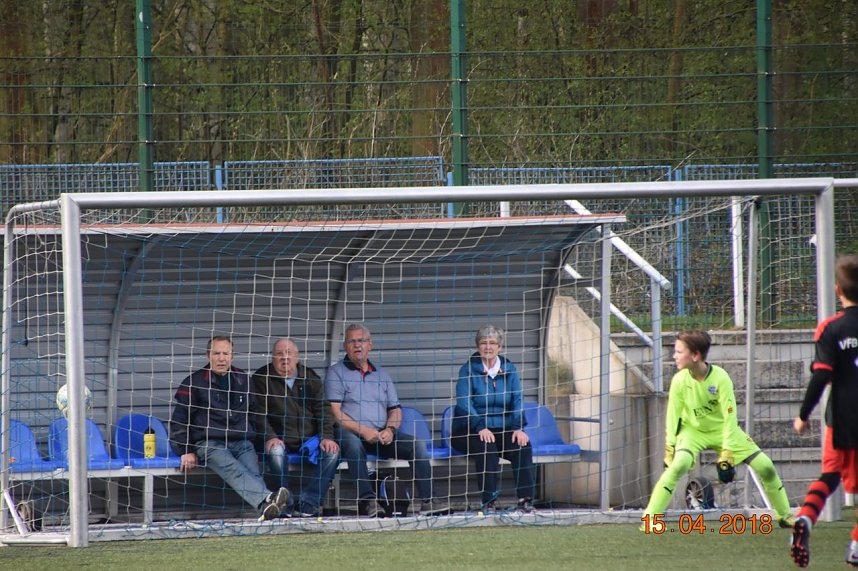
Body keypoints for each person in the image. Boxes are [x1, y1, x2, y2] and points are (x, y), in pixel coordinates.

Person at [641, 329, 792, 530]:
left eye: (678, 351)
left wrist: (727, 451)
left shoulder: (721, 378)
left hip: (724, 431)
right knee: (679, 465)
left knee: (765, 466)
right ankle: (650, 520)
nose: (674, 356)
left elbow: (730, 418)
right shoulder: (679, 380)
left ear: (695, 355)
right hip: (692, 432)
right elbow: (673, 416)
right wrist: (670, 446)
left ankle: (785, 515)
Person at [324, 323, 449, 517]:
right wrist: (364, 430)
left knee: (416, 445)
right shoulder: (336, 372)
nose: (358, 345)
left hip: (381, 435)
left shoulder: (382, 374)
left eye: (362, 341)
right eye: (352, 341)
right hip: (351, 435)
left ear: (370, 345)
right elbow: (335, 413)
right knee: (354, 445)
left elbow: (395, 409)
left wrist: (390, 430)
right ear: (345, 346)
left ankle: (429, 500)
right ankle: (368, 502)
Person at [170, 335, 291, 522]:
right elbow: (179, 419)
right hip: (210, 443)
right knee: (234, 469)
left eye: (225, 353)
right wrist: (185, 450)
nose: (221, 358)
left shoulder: (243, 379)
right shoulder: (193, 382)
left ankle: (266, 509)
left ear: (232, 356)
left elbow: (256, 414)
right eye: (216, 353)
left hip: (241, 441)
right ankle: (268, 499)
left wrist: (268, 437)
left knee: (253, 473)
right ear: (207, 355)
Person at [790, 254, 858, 568]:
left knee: (830, 476)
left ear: (837, 290)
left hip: (840, 418)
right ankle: (856, 545)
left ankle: (804, 519)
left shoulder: (830, 328)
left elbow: (821, 375)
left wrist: (804, 415)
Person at [251, 337, 340, 518]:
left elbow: (322, 409)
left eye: (289, 353)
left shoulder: (310, 377)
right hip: (278, 438)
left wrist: (326, 436)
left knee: (333, 452)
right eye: (279, 354)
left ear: (297, 357)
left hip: (309, 439)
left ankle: (309, 503)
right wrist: (269, 436)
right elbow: (257, 413)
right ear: (272, 357)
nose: (285, 358)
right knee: (276, 452)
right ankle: (285, 504)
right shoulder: (261, 378)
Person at [451, 325, 535, 512]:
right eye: (483, 343)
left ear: (500, 347)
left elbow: (517, 399)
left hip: (502, 428)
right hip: (469, 429)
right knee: (487, 447)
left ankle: (525, 499)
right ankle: (489, 501)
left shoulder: (509, 369)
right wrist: (480, 426)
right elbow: (464, 403)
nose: (488, 347)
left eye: (492, 343)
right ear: (477, 346)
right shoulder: (467, 370)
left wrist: (518, 427)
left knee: (522, 446)